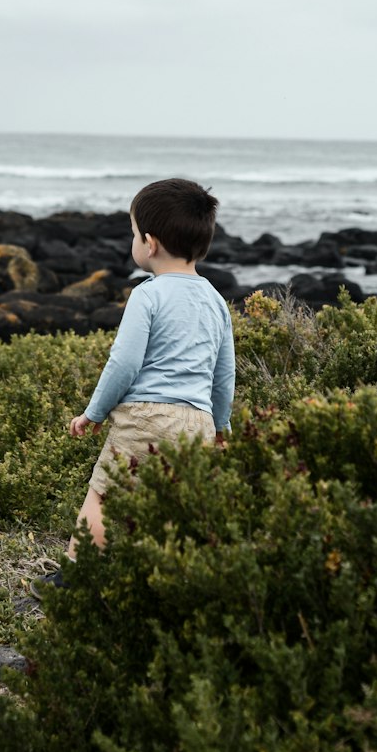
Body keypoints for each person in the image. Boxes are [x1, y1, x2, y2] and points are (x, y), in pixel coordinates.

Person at [30, 177, 235, 595]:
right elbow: (223, 374)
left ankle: (77, 578)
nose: (132, 242)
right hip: (197, 422)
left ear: (150, 242)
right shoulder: (215, 300)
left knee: (103, 496)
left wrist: (95, 412)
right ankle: (169, 582)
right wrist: (222, 428)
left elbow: (123, 363)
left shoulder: (148, 294)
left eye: (132, 233)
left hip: (147, 416)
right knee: (175, 502)